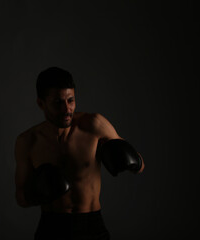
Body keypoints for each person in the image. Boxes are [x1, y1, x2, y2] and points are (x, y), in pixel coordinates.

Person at [14, 67, 145, 240]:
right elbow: (21, 197)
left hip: (91, 225)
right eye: (58, 103)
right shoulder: (28, 141)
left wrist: (132, 160)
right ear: (41, 103)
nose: (66, 109)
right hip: (51, 228)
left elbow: (140, 165)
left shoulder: (94, 125)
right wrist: (37, 193)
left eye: (70, 100)